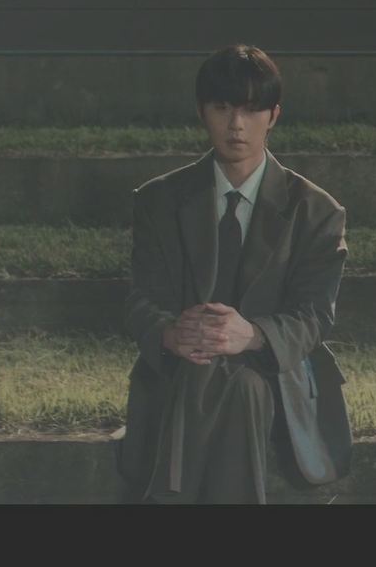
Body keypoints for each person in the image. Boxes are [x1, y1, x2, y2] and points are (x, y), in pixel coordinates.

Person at [116, 44, 352, 503]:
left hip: (274, 373)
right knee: (217, 378)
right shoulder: (159, 200)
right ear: (201, 112)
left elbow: (314, 316)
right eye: (222, 108)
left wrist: (253, 335)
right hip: (184, 367)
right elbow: (141, 300)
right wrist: (170, 334)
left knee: (240, 383)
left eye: (250, 109)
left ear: (273, 115)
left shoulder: (315, 211)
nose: (236, 124)